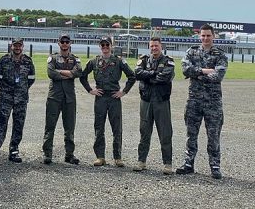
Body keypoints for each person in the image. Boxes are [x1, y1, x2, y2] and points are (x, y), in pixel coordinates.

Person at [177, 24, 228, 179]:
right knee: (191, 134)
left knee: (213, 136)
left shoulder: (220, 54)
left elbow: (218, 75)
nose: (205, 38)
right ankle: (188, 164)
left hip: (213, 102)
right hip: (194, 101)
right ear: (199, 36)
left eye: (208, 35)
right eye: (203, 35)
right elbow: (185, 70)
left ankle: (215, 166)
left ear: (213, 36)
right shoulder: (191, 51)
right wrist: (205, 71)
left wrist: (196, 73)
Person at [79, 36, 136, 167]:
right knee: (99, 127)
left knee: (117, 128)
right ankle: (100, 156)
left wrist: (124, 91)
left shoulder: (119, 61)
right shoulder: (94, 61)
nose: (105, 47)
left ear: (111, 46)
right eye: (102, 45)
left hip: (114, 97)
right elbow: (82, 76)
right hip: (100, 97)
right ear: (100, 46)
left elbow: (132, 76)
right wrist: (90, 90)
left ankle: (117, 157)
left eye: (107, 45)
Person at [0, 38, 36, 163]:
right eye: (15, 45)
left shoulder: (28, 61)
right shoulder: (3, 60)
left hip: (21, 98)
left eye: (19, 46)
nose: (17, 48)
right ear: (11, 46)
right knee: (1, 123)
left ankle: (14, 150)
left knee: (18, 124)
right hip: (6, 97)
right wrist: (8, 89)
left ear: (22, 47)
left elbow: (31, 79)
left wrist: (21, 89)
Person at [133, 37, 176, 174]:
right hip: (146, 101)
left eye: (156, 46)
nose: (154, 48)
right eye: (151, 46)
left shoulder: (168, 60)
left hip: (161, 102)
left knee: (165, 133)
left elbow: (165, 77)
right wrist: (154, 74)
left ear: (161, 46)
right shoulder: (144, 59)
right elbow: (138, 73)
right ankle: (141, 161)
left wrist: (148, 77)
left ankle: (167, 164)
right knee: (144, 132)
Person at [42, 34, 83, 164]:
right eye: (62, 41)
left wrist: (60, 72)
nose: (65, 44)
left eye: (67, 41)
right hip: (54, 97)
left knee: (70, 127)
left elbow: (78, 72)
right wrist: (68, 74)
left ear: (70, 43)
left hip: (69, 98)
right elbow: (51, 73)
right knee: (50, 126)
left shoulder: (75, 59)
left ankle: (69, 154)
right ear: (58, 43)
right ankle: (47, 154)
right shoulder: (53, 58)